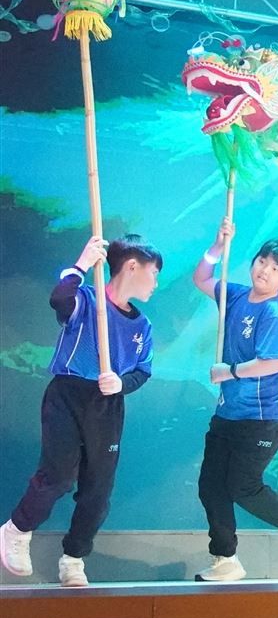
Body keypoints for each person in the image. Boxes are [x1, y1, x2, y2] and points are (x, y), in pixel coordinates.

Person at [0, 235, 161, 587]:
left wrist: (121, 384)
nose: (156, 283)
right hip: (68, 395)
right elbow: (58, 299)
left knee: (98, 489)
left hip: (107, 404)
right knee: (58, 476)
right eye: (154, 273)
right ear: (132, 266)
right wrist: (82, 263)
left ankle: (73, 558)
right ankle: (17, 529)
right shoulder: (86, 300)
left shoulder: (142, 326)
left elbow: (143, 371)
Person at [191, 223, 278, 581]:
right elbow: (202, 279)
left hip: (264, 414)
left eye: (276, 268)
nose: (265, 270)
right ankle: (225, 559)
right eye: (262, 261)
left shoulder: (273, 313)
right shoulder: (236, 295)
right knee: (211, 485)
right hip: (230, 410)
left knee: (242, 486)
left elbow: (275, 362)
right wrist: (217, 247)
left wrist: (230, 372)